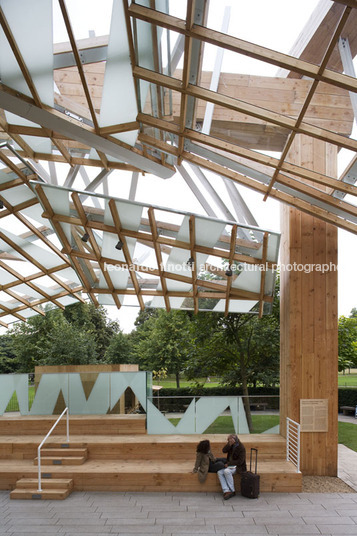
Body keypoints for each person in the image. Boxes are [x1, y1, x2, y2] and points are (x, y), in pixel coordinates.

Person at [217, 434, 247, 500]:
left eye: (230, 440)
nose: (229, 441)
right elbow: (224, 450)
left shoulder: (241, 447)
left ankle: (232, 490)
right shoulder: (231, 445)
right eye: (229, 440)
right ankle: (226, 490)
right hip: (230, 466)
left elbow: (240, 461)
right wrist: (229, 444)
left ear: (235, 440)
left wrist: (229, 464)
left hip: (238, 467)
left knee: (226, 471)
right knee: (219, 472)